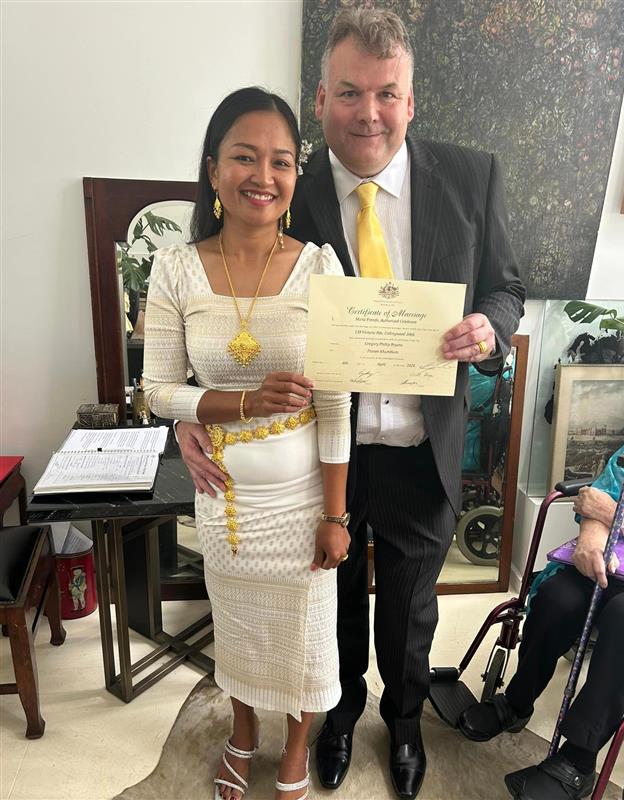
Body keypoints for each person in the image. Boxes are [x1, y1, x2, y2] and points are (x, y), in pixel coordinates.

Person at [174, 9, 525, 799]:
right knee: (324, 602)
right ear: (323, 96)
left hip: (420, 443)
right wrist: (189, 412)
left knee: (408, 609)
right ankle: (335, 718)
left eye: (387, 93)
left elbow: (508, 287)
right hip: (312, 454)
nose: (370, 112)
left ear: (411, 100)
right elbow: (224, 307)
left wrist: (488, 327)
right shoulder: (283, 190)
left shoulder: (472, 177)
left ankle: (403, 726)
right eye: (351, 93)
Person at [143, 86, 352, 800]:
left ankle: (294, 749)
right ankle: (242, 730)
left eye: (281, 161)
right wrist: (230, 402)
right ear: (212, 170)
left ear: (296, 177)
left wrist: (335, 513)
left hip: (302, 502)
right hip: (226, 500)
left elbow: (335, 400)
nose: (263, 175)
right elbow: (156, 389)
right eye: (244, 157)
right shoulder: (175, 268)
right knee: (235, 629)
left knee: (302, 632)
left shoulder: (320, 268)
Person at [459, 420, 624, 800]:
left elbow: (608, 506)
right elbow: (599, 496)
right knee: (559, 597)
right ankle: (517, 701)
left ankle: (577, 759)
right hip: (618, 558)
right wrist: (592, 534)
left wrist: (618, 517)